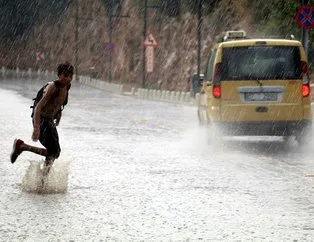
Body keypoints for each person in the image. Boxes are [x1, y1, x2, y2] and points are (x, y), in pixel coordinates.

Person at [10, 62, 74, 168]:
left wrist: (58, 115)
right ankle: (22, 147)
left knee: (55, 152)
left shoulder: (67, 86)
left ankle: (43, 178)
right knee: (53, 151)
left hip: (49, 120)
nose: (68, 78)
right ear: (59, 75)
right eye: (65, 75)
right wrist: (36, 128)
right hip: (42, 119)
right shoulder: (53, 87)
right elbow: (38, 108)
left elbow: (59, 103)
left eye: (70, 76)